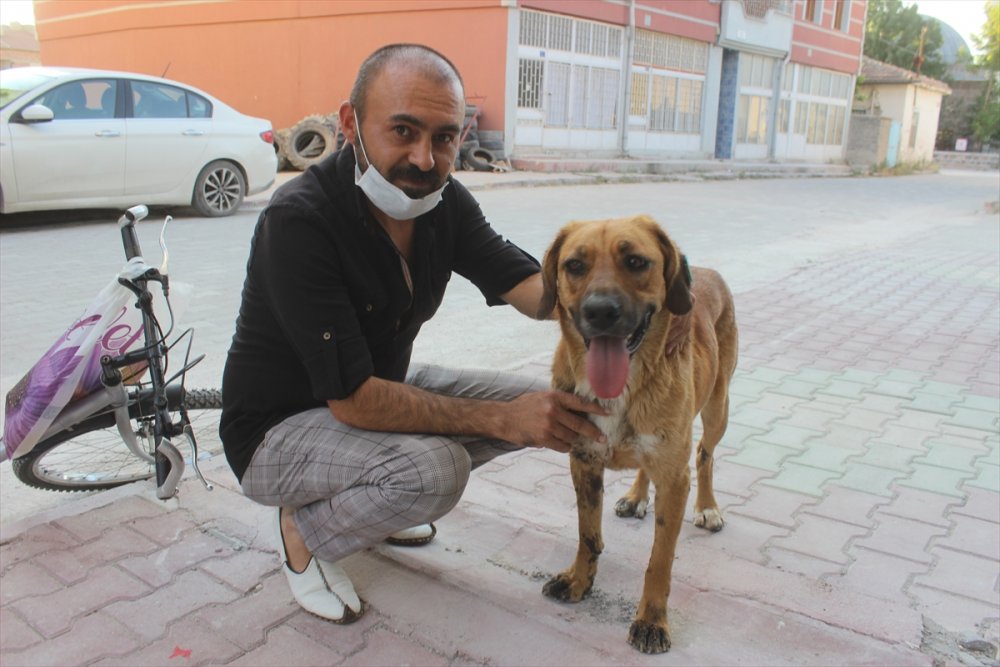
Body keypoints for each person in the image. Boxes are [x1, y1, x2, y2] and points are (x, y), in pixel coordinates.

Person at [220, 43, 688, 624]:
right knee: (436, 470)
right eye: (403, 131)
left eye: (443, 137)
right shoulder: (300, 220)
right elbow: (354, 400)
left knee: (551, 410)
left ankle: (374, 504)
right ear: (350, 124)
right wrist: (499, 418)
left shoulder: (440, 204)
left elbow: (537, 292)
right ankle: (302, 529)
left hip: (364, 395)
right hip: (277, 431)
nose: (424, 157)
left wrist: (662, 292)